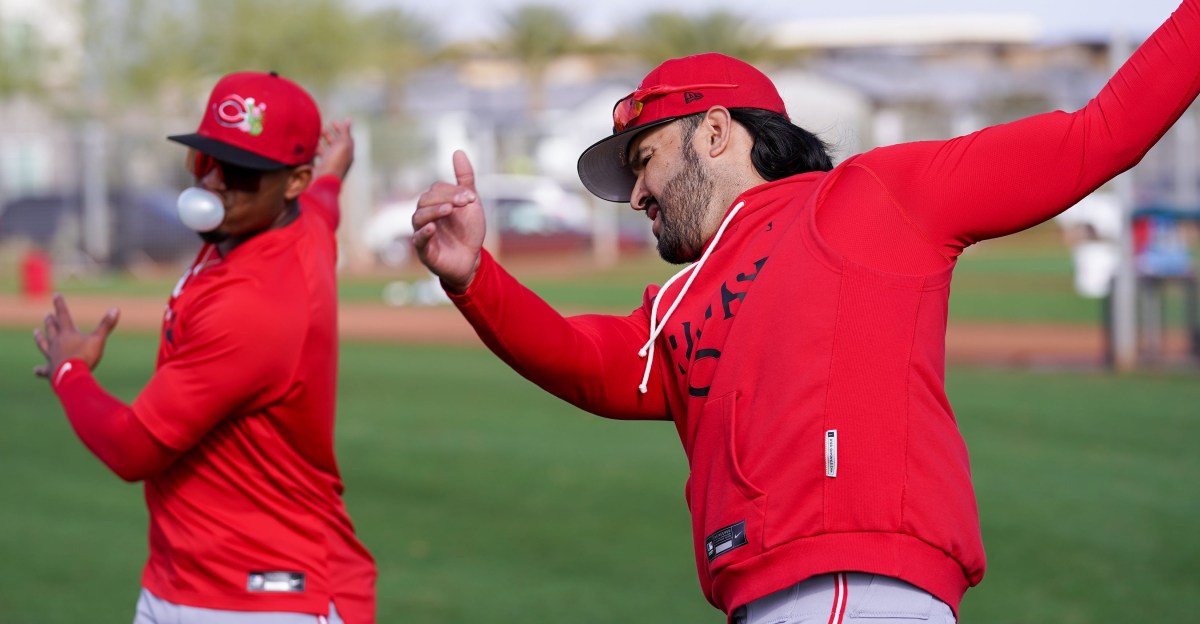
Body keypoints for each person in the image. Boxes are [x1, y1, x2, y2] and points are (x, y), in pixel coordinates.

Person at [413, 1, 1200, 621]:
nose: (639, 195)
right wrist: (472, 276)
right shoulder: (679, 301)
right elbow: (586, 361)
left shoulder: (872, 199)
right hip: (780, 598)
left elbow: (1098, 136)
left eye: (643, 161)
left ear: (716, 132)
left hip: (852, 588)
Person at [33, 71, 375, 624]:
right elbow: (324, 202)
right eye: (206, 157)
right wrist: (337, 167)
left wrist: (71, 369)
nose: (212, 182)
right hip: (185, 580)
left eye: (239, 170)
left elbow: (132, 450)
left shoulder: (254, 304)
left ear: (292, 181)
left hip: (269, 596)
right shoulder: (297, 219)